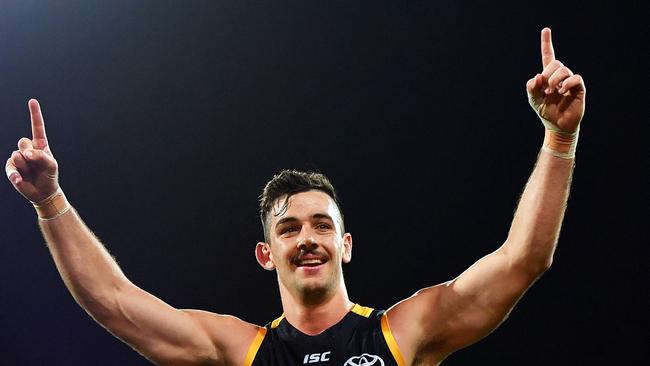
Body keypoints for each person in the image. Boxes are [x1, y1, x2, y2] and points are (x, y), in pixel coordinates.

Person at [5, 27, 585, 366]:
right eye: (288, 229)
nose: (307, 238)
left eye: (321, 225)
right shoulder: (242, 351)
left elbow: (524, 260)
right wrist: (50, 201)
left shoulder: (402, 334)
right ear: (266, 253)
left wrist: (559, 138)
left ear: (346, 244)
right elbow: (112, 300)